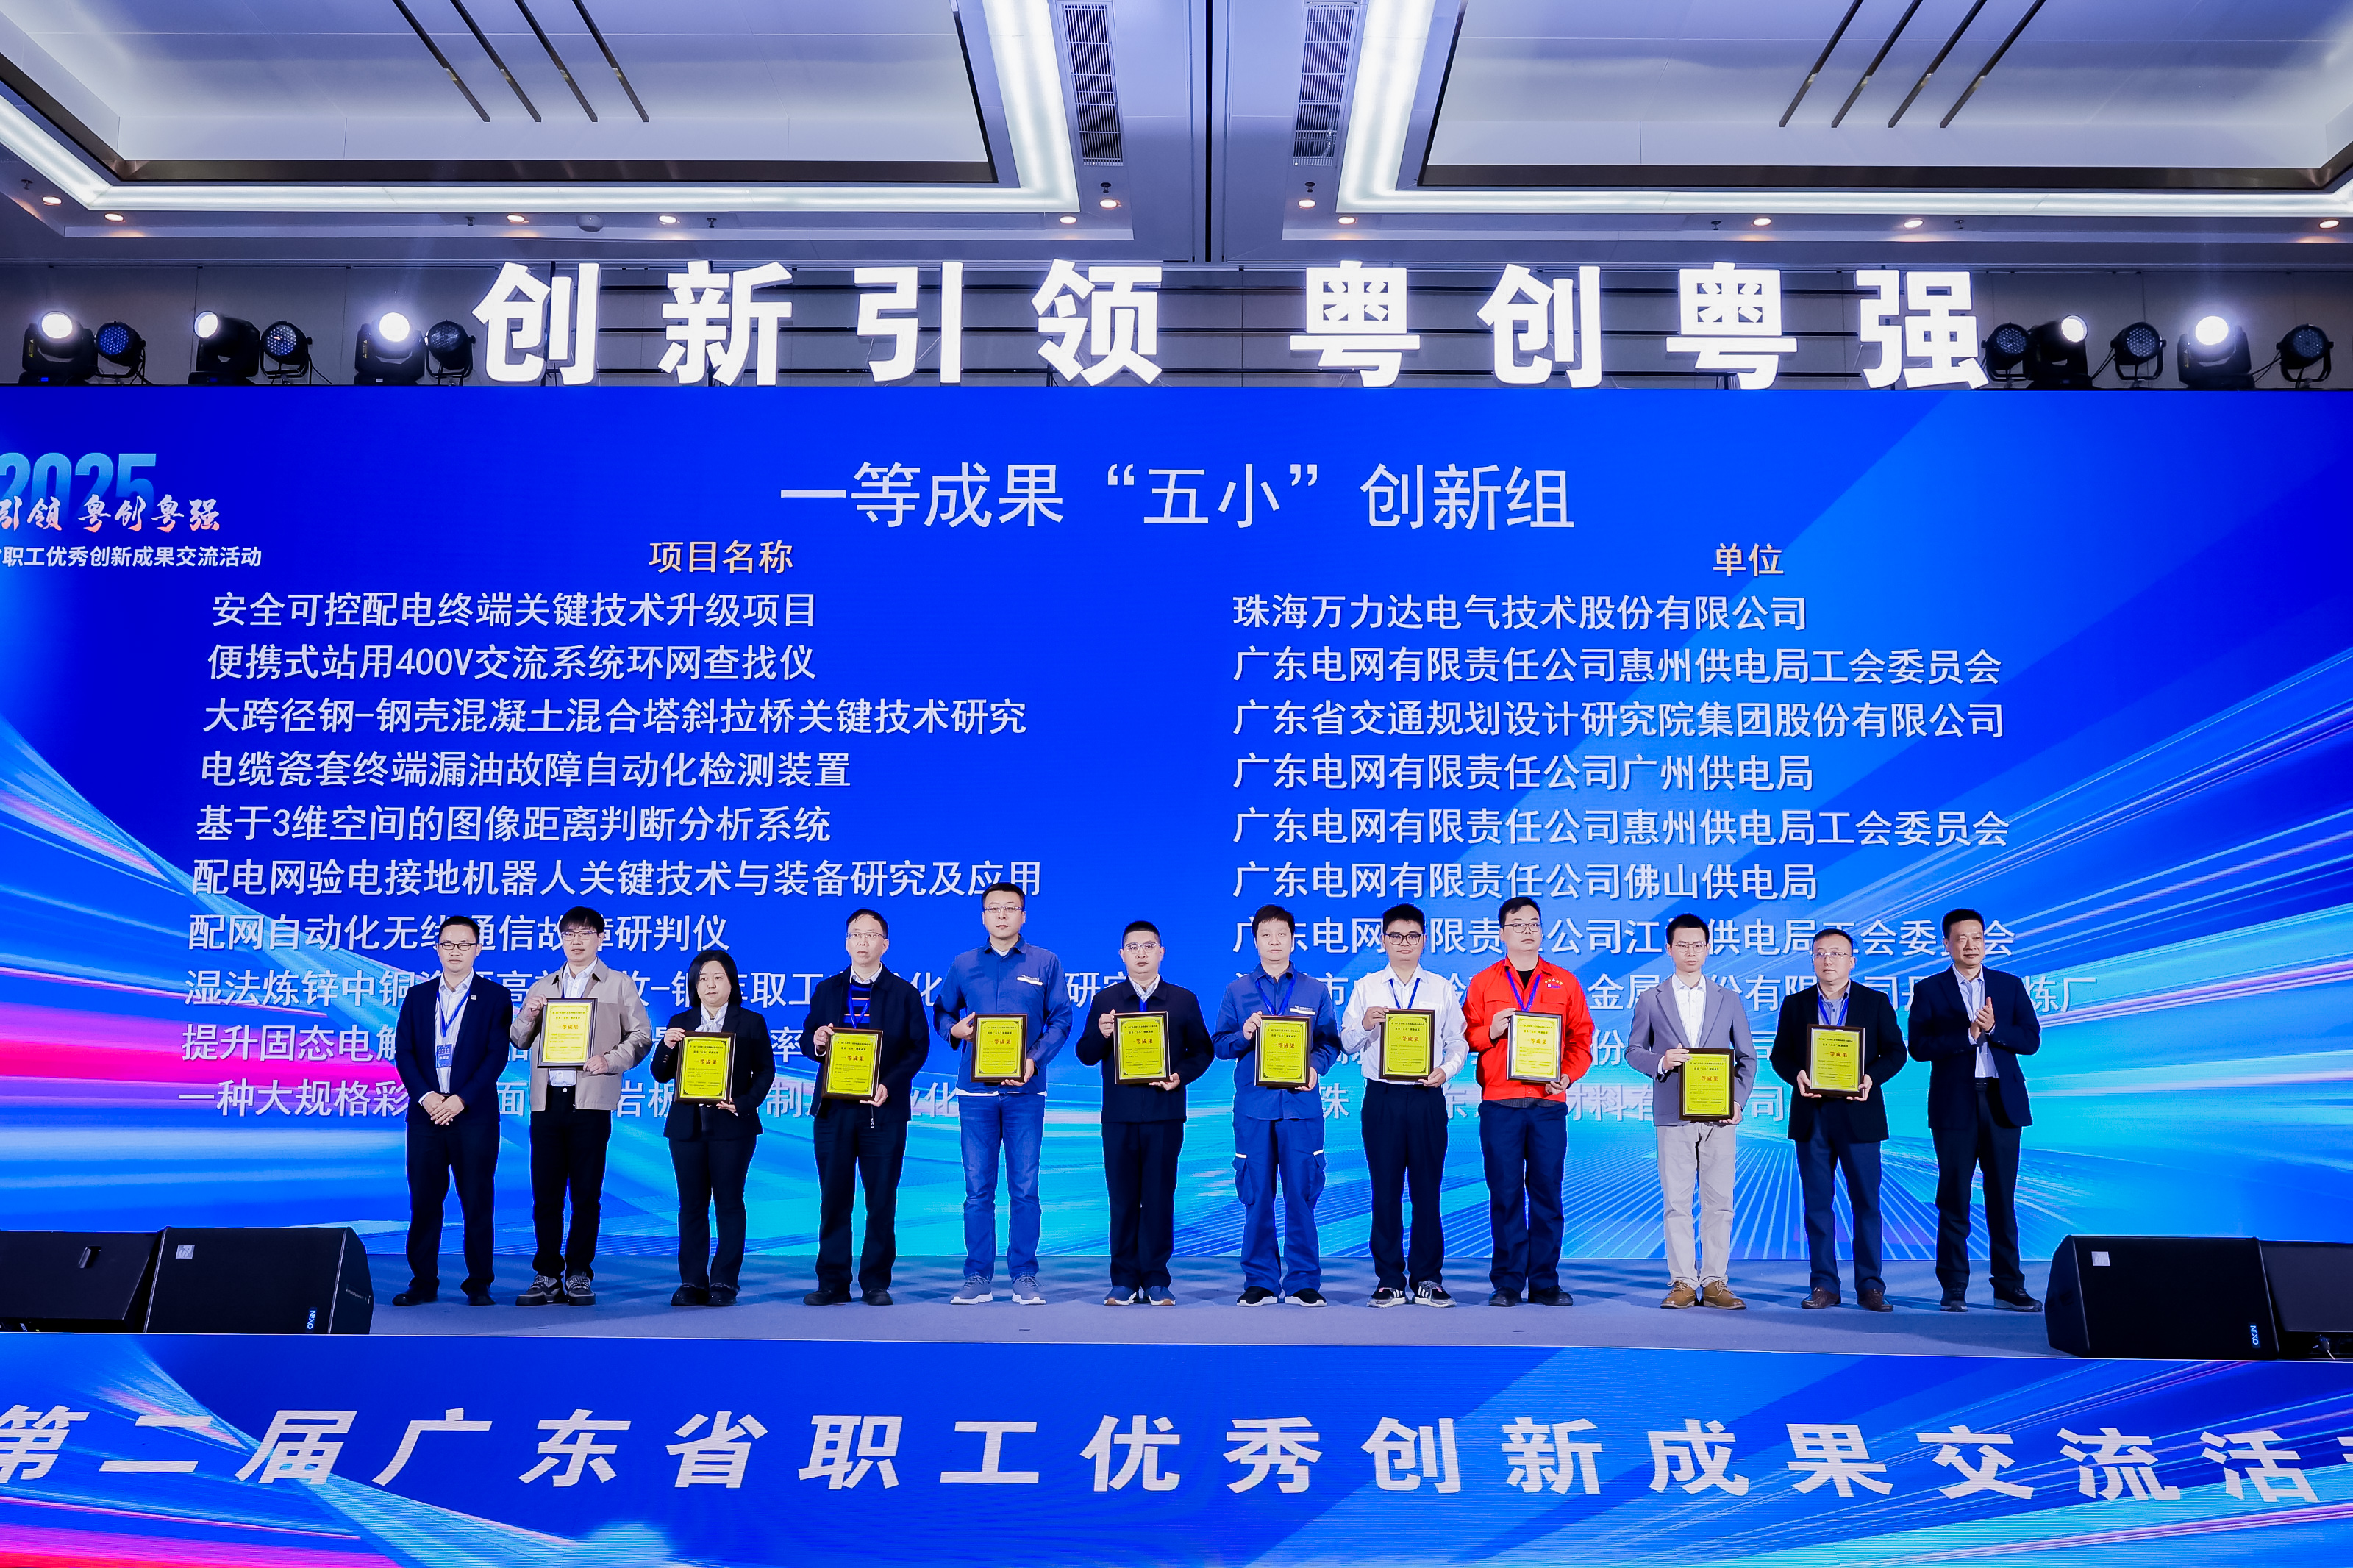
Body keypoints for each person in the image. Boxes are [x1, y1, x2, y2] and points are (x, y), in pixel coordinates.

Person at [933, 881, 1072, 1306]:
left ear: (1023, 915)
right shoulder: (964, 963)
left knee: (1025, 1188)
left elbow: (1061, 1018)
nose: (1002, 915)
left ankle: (1024, 1275)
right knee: (978, 1189)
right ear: (983, 917)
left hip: (1025, 1090)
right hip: (975, 1093)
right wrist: (954, 1030)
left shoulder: (1045, 962)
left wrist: (1034, 1059)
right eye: (994, 909)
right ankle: (977, 1276)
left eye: (1011, 908)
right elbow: (942, 1010)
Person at [509, 905, 652, 1306]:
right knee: (546, 1195)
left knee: (586, 1194)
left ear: (600, 939)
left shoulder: (618, 984)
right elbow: (519, 1039)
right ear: (560, 938)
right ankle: (546, 1273)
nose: (576, 941)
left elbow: (642, 1035)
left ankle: (578, 1272)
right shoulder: (544, 985)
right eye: (569, 934)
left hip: (590, 1102)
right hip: (547, 1102)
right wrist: (529, 1014)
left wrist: (610, 1060)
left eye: (585, 934)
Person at [1461, 896, 1594, 1307]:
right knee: (1505, 1195)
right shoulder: (1483, 983)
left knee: (1547, 1194)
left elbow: (1581, 1039)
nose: (1527, 931)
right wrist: (1491, 1032)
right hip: (1500, 1105)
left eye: (1534, 923)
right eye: (1517, 924)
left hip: (1547, 1105)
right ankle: (1507, 1282)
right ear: (1502, 933)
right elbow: (1464, 1037)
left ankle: (1545, 1281)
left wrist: (1567, 1075)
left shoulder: (1564, 982)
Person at [1910, 907, 2043, 1314]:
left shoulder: (2008, 985)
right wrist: (1968, 1035)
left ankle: (2009, 1286)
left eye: (1978, 937)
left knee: (2002, 1198)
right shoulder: (1930, 989)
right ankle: (1954, 1287)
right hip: (1955, 1104)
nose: (1971, 945)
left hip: (2002, 1103)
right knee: (1953, 1197)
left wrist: (1994, 1030)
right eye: (1962, 938)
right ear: (1947, 944)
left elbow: (2031, 1040)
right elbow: (1919, 1047)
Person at [1075, 921, 1215, 1305]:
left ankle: (1155, 1278)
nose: (1141, 954)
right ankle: (1123, 1279)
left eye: (1148, 946)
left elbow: (1203, 1051)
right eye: (1133, 947)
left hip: (1164, 1113)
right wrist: (1102, 1033)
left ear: (1161, 952)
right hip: (1119, 1116)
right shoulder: (1106, 1000)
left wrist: (1179, 1076)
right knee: (1122, 1200)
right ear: (1122, 955)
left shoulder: (1182, 1000)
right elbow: (1085, 1054)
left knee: (1158, 1198)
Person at [1768, 928, 1907, 1312]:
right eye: (1820, 953)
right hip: (1811, 1117)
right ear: (1812, 960)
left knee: (1867, 1204)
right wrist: (1796, 1075)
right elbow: (1780, 1056)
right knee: (1817, 1205)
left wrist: (1870, 1078)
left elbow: (1896, 1052)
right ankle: (1824, 1285)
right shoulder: (1795, 1004)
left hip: (1860, 1115)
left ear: (1852, 961)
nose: (1827, 960)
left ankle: (1871, 1286)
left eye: (1836, 953)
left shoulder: (1875, 1002)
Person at [1212, 904, 1343, 1306]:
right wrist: (1244, 1034)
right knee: (1256, 1196)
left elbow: (1329, 1042)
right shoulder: (1237, 991)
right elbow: (1220, 1045)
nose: (1274, 942)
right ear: (1254, 941)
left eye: (1281, 934)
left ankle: (1303, 1281)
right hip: (1254, 1108)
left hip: (1301, 1108)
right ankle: (1261, 1281)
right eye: (1266, 935)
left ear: (1292, 940)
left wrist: (1315, 1067)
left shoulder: (1314, 990)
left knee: (1302, 1195)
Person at [801, 908, 932, 1306]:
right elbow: (808, 1040)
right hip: (834, 1111)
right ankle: (833, 1282)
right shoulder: (827, 990)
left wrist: (890, 1084)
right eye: (855, 934)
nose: (862, 942)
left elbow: (918, 1048)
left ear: (884, 944)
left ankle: (876, 1282)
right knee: (833, 1199)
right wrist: (817, 1043)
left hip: (883, 1111)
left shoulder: (904, 993)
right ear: (846, 942)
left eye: (871, 935)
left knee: (881, 1199)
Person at [1340, 902, 1468, 1308]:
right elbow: (1346, 1043)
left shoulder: (1441, 988)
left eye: (1413, 936)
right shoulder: (1367, 987)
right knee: (1385, 1191)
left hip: (1427, 1096)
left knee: (1428, 1192)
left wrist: (1445, 1071)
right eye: (1396, 936)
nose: (1405, 943)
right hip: (1382, 1098)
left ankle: (1428, 1278)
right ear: (1383, 941)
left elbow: (1458, 1042)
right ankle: (1390, 1279)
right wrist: (1365, 1025)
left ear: (1424, 940)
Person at [1626, 914, 1757, 1311]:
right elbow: (1633, 1052)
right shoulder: (1651, 999)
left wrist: (1737, 1102)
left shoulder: (1728, 998)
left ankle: (1715, 1281)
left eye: (1697, 945)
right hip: (1673, 1115)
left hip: (1720, 1116)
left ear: (1708, 948)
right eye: (1682, 945)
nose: (1690, 952)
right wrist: (1661, 1061)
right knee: (1677, 1203)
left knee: (1720, 1202)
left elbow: (1747, 1058)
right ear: (1669, 949)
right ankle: (1683, 1281)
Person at [389, 915, 513, 1307]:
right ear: (438, 949)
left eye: (463, 945)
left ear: (478, 949)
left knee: (477, 1200)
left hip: (473, 1115)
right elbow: (404, 1052)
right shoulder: (418, 996)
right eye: (448, 944)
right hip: (426, 1115)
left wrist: (461, 1099)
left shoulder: (495, 996)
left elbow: (497, 1055)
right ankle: (423, 1281)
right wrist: (426, 1096)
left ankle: (479, 1283)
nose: (455, 952)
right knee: (425, 1201)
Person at [650, 948, 775, 1307]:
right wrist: (666, 1045)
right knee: (691, 1206)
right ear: (694, 985)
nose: (710, 985)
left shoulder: (750, 1021)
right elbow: (660, 1074)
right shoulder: (681, 1021)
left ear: (731, 983)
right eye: (703, 979)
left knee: (729, 1203)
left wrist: (744, 1103)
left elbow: (766, 1070)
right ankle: (692, 1281)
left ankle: (724, 1281)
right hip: (686, 1128)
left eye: (718, 978)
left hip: (732, 1127)